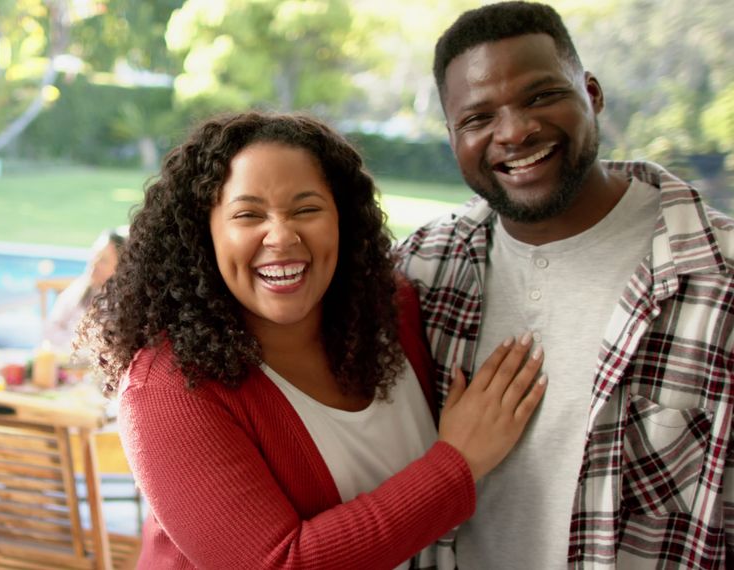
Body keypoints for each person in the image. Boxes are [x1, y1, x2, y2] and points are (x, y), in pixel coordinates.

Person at [79, 111, 547, 568]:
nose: (281, 237)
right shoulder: (166, 389)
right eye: (248, 214)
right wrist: (459, 463)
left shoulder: (391, 309)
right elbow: (280, 563)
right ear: (205, 235)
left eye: (306, 209)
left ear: (341, 219)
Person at [396, 2, 734, 568]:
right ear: (453, 136)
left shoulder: (717, 278)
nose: (514, 131)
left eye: (540, 96)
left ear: (592, 94)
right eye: (478, 119)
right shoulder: (420, 269)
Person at [42, 227, 126, 353]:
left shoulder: (119, 302)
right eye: (95, 255)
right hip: (64, 357)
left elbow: (103, 347)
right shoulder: (80, 286)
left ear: (119, 268)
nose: (94, 263)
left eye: (103, 260)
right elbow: (51, 327)